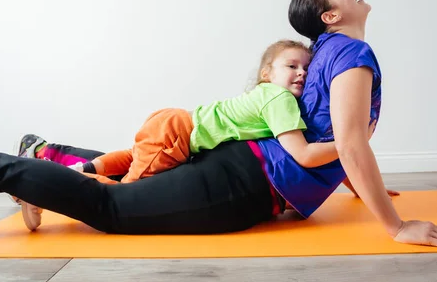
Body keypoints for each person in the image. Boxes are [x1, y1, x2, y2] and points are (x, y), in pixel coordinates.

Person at [0, 0, 437, 251]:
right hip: (249, 180)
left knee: (125, 180)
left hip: (246, 166)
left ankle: (46, 155)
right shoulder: (351, 54)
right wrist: (396, 227)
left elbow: (330, 129)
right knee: (111, 209)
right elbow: (349, 141)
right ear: (329, 16)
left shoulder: (327, 52)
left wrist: (356, 180)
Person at [63, 39, 343, 185]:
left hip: (174, 121)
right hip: (177, 135)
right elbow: (304, 154)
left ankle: (83, 168)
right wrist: (349, 145)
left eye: (306, 68)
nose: (302, 73)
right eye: (292, 66)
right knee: (127, 191)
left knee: (134, 155)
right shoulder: (279, 98)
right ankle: (67, 182)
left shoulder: (264, 94)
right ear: (266, 73)